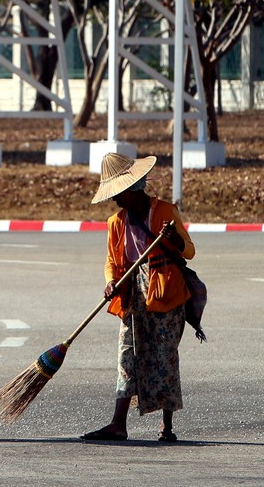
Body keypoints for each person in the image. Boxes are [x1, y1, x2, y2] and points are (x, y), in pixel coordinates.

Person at [81, 152, 196, 443]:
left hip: (166, 293)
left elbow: (190, 251)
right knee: (127, 355)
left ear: (133, 189)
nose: (115, 201)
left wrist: (173, 240)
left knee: (164, 356)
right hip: (133, 294)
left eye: (118, 194)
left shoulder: (165, 212)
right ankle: (118, 424)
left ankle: (166, 427)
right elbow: (111, 260)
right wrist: (110, 283)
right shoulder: (115, 223)